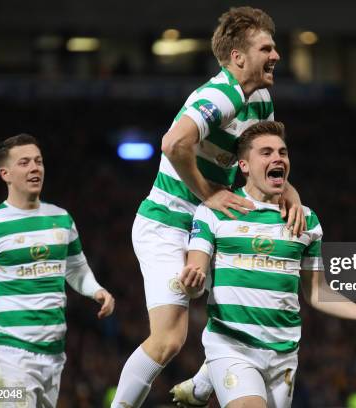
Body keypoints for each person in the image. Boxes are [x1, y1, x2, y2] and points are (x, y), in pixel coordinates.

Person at [112, 7, 306, 408]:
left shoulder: (262, 98)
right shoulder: (220, 96)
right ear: (238, 57)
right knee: (168, 340)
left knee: (255, 295)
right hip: (167, 225)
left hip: (213, 225)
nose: (277, 55)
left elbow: (262, 159)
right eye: (266, 48)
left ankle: (202, 385)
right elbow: (171, 143)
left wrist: (291, 193)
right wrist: (208, 193)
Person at [179, 121, 356, 408]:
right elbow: (195, 271)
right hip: (233, 345)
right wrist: (191, 282)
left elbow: (317, 291)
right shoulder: (215, 211)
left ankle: (202, 385)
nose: (277, 158)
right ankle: (207, 375)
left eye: (282, 152)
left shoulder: (306, 220)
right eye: (266, 153)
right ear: (244, 165)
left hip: (283, 352)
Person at [0, 134, 115, 407]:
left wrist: (96, 290)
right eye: (24, 162)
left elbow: (76, 268)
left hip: (53, 356)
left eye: (38, 161)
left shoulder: (61, 219)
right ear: (5, 173)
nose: (35, 168)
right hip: (10, 356)